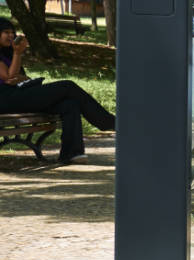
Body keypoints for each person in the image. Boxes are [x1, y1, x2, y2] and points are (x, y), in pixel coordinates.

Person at [0, 17, 115, 164]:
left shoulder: (7, 54)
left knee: (70, 104)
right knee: (67, 86)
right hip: (5, 100)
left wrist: (16, 74)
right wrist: (18, 54)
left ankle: (72, 153)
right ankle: (108, 122)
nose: (10, 36)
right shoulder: (12, 53)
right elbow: (8, 77)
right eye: (5, 32)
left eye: (12, 32)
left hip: (17, 94)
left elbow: (20, 77)